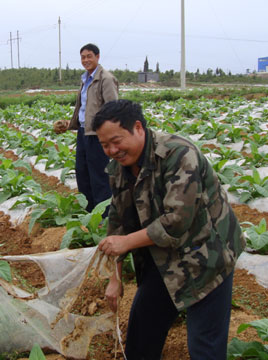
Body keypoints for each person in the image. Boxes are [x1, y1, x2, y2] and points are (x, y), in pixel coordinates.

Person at [94, 100, 245, 360]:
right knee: (141, 337)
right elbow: (118, 220)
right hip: (164, 257)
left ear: (138, 127)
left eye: (116, 141)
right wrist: (114, 277)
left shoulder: (179, 154)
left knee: (204, 346)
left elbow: (177, 220)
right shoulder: (119, 168)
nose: (112, 150)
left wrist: (128, 242)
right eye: (105, 145)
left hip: (208, 256)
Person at [67, 43, 119, 213]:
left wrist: (107, 134)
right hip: (83, 132)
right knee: (82, 172)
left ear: (98, 57)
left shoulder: (106, 79)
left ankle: (104, 216)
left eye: (89, 56)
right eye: (83, 57)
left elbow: (112, 109)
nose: (86, 60)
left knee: (99, 176)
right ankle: (89, 212)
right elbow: (84, 107)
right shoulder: (85, 79)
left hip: (98, 135)